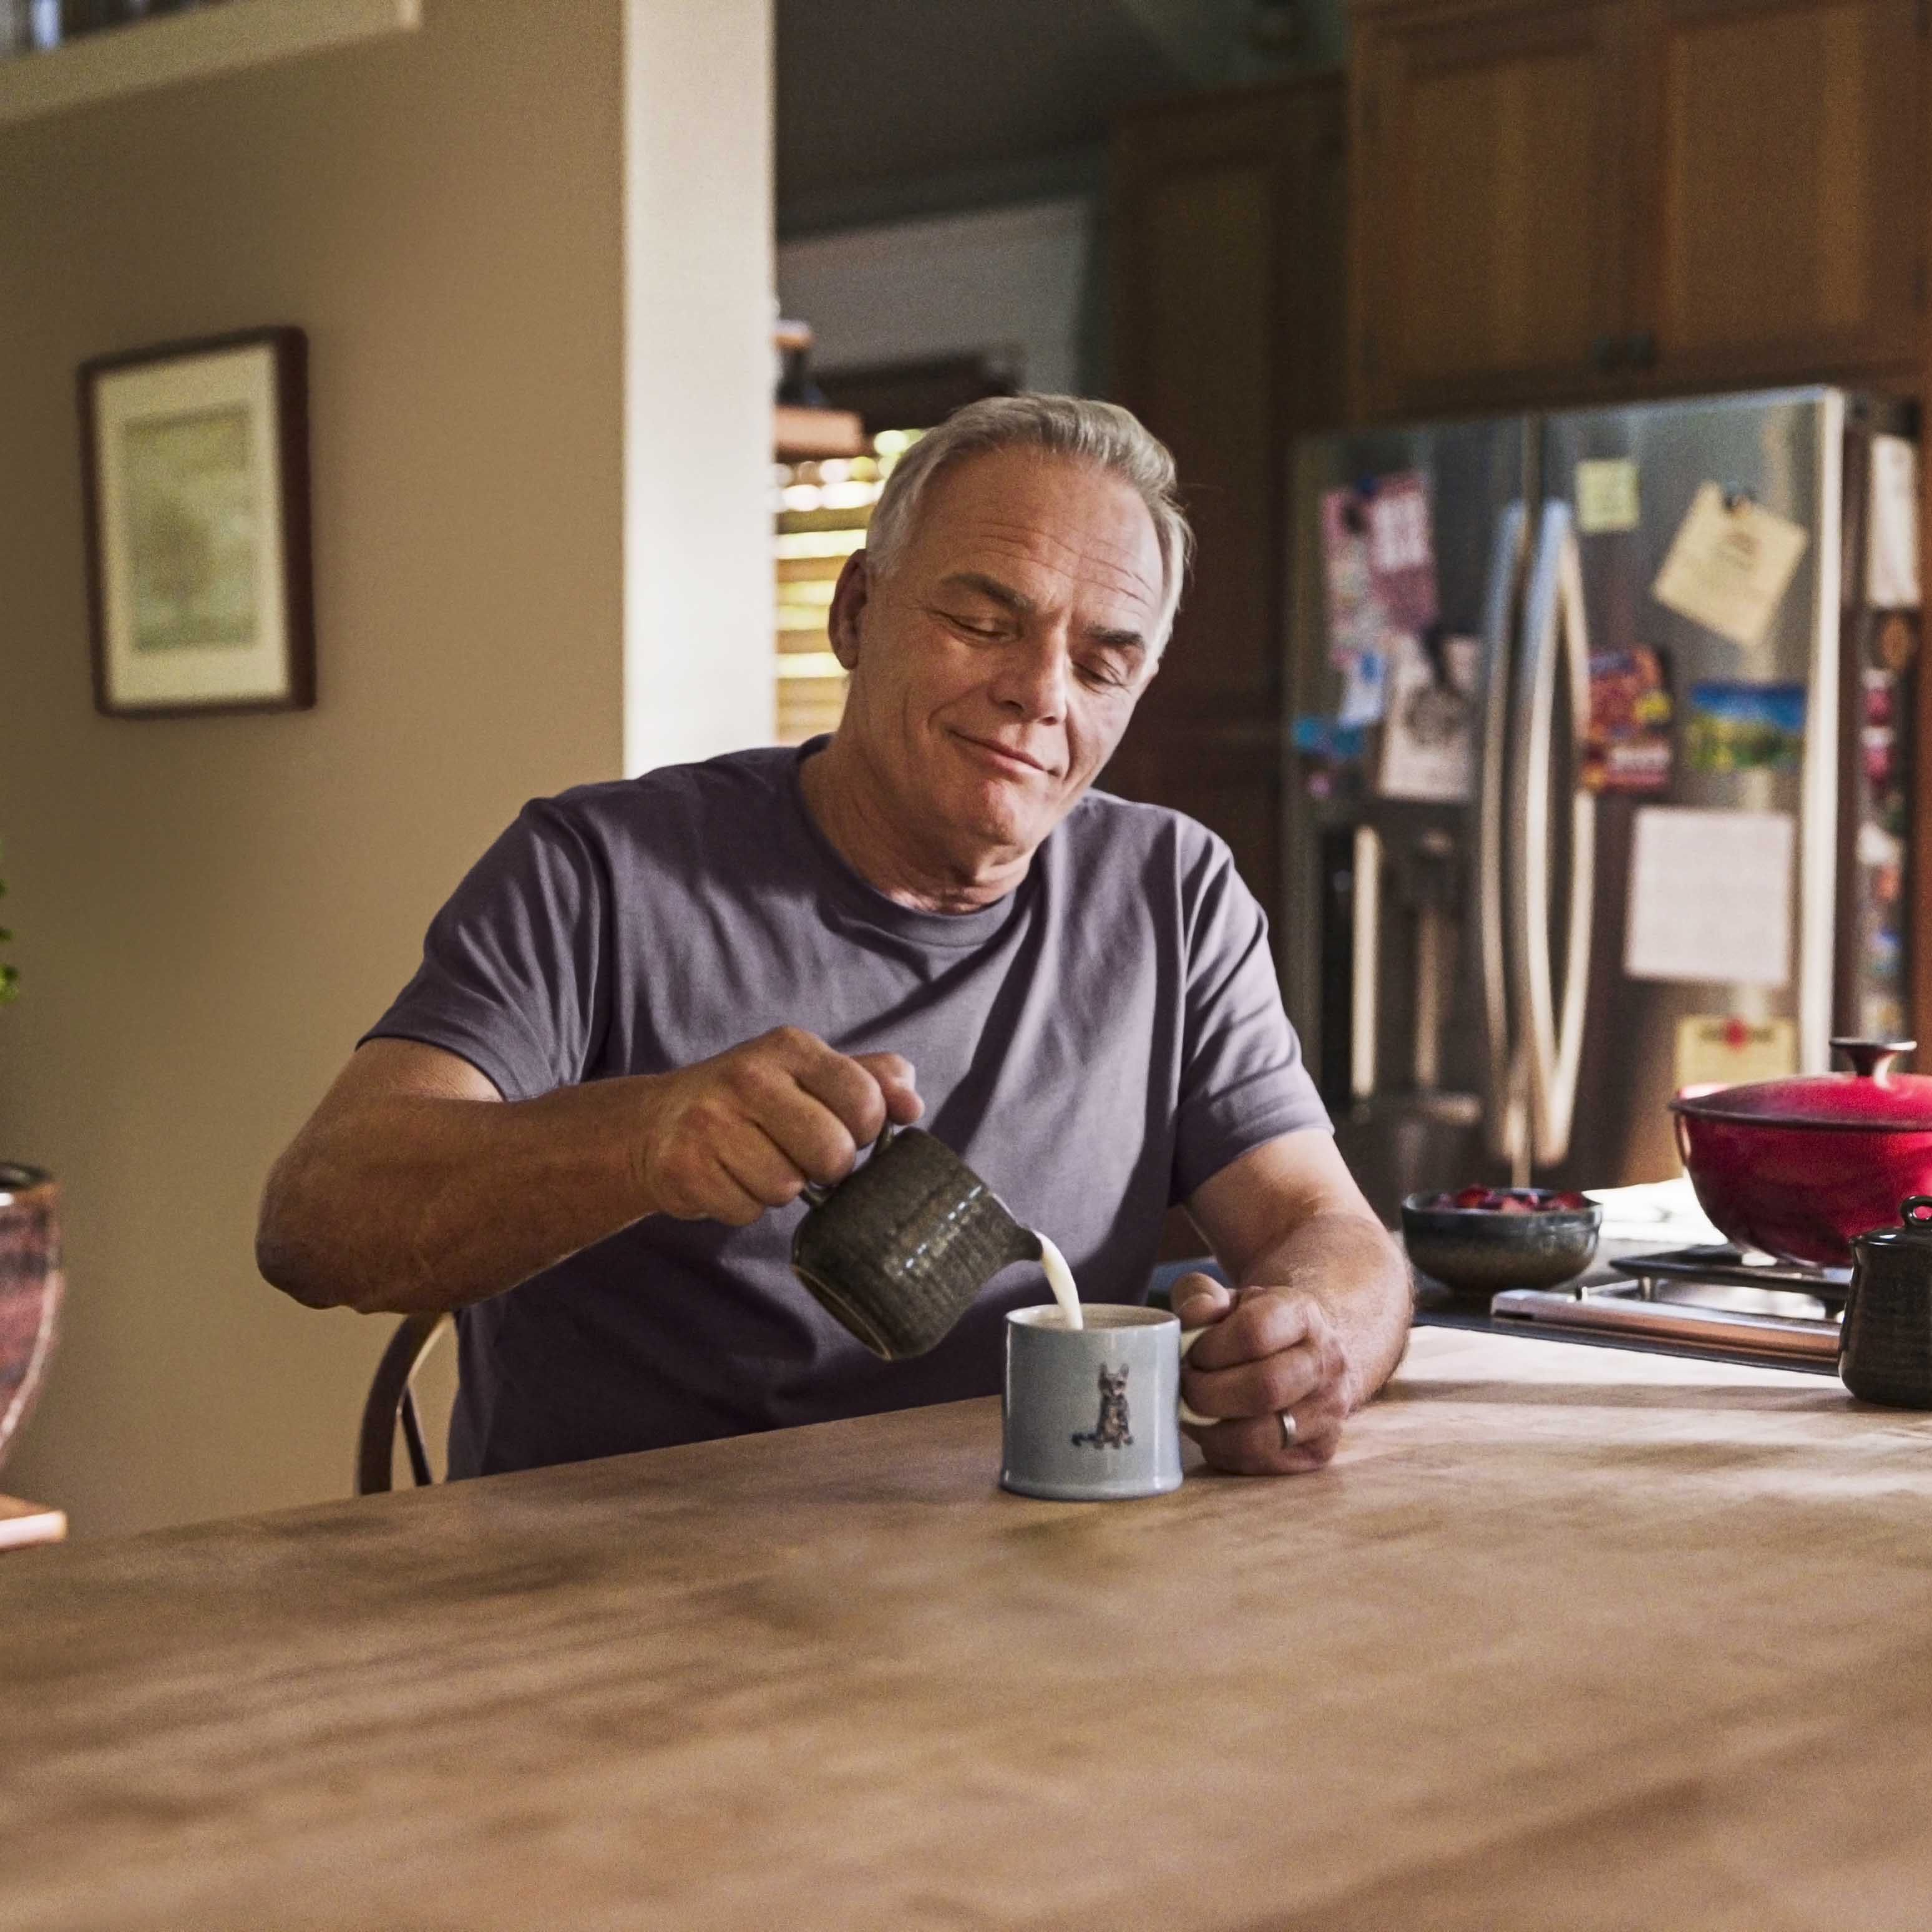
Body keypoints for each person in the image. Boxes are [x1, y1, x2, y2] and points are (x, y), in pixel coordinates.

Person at [257, 394, 1410, 1480]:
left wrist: (1313, 1341)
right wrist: (641, 1139)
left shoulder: (1172, 890)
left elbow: (1328, 1230)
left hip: (1027, 1576)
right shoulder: (602, 872)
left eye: (1102, 661)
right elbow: (320, 1221)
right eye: (980, 620)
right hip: (621, 1611)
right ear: (855, 612)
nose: (1040, 692)